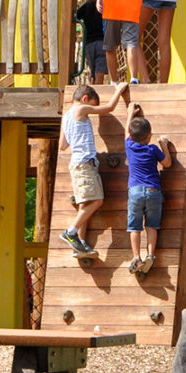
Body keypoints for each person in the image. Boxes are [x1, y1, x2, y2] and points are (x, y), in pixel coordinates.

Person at [59, 81, 128, 261]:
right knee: (97, 200)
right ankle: (70, 232)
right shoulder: (80, 110)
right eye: (91, 106)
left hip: (77, 163)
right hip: (84, 163)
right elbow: (109, 108)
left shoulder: (66, 117)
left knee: (84, 205)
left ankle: (80, 244)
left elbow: (63, 145)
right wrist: (119, 91)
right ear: (85, 99)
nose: (91, 110)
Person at [123, 102, 175, 276]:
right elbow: (167, 163)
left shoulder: (129, 146)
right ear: (150, 135)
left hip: (135, 191)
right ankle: (151, 255)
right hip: (153, 191)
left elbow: (126, 132)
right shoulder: (152, 149)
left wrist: (130, 112)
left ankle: (136, 257)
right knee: (152, 225)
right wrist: (164, 145)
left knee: (134, 227)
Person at [74, 0, 108, 85]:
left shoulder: (86, 7)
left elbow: (77, 16)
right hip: (102, 42)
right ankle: (98, 86)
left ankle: (93, 85)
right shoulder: (104, 5)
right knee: (100, 67)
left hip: (89, 43)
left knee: (92, 68)